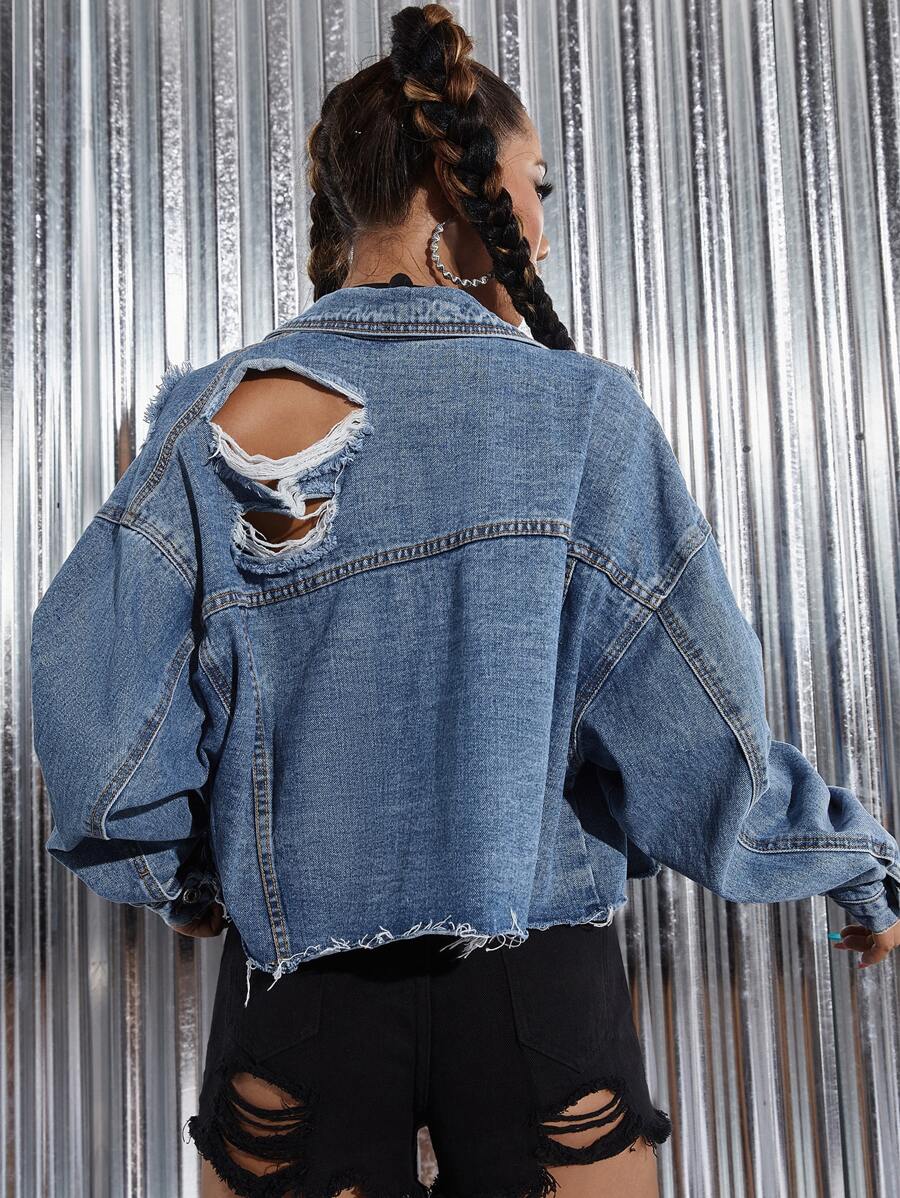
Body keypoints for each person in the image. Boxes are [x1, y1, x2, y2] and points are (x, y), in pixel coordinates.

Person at [30, 5, 899, 1198]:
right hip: (536, 989)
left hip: (299, 995)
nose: (539, 219)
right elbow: (695, 733)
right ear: (460, 189)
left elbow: (102, 736)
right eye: (535, 185)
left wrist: (185, 873)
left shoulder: (206, 417)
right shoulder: (581, 414)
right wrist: (847, 861)